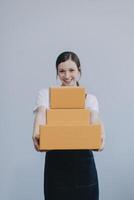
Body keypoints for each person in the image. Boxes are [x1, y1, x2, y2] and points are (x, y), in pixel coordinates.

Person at [32, 51, 105, 200]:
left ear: (79, 71)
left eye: (71, 70)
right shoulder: (46, 94)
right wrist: (36, 132)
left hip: (84, 165)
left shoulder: (89, 99)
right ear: (57, 73)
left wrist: (101, 136)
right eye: (62, 71)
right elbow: (41, 113)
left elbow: (95, 120)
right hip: (56, 164)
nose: (67, 76)